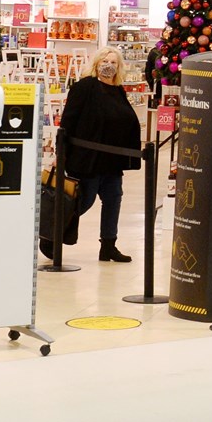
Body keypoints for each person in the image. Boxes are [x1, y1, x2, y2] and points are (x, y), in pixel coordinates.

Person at [58, 47, 142, 263]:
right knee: (84, 200)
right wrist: (63, 153)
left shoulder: (118, 90)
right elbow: (69, 120)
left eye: (114, 62)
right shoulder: (84, 87)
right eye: (105, 60)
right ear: (96, 63)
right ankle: (53, 234)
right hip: (87, 158)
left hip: (111, 160)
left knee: (113, 198)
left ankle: (108, 246)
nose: (109, 65)